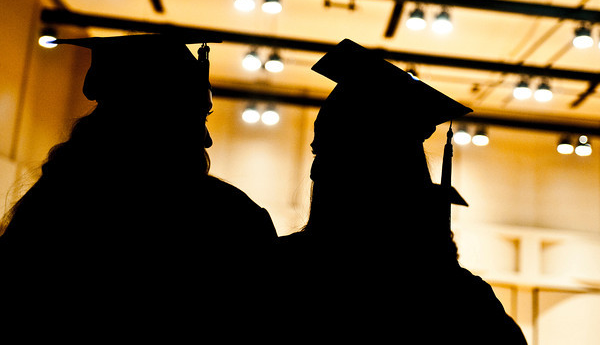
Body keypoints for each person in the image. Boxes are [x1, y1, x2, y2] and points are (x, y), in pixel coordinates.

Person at [276, 39, 527, 344]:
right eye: (318, 153)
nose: (316, 171)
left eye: (333, 155)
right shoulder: (455, 295)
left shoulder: (276, 270)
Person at [0, 34, 277, 301]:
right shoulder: (231, 219)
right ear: (155, 122)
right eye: (197, 117)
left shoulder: (51, 207)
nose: (207, 139)